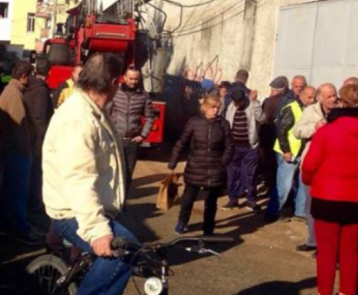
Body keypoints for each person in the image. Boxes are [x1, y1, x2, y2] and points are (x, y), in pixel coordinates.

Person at [43, 53, 137, 295]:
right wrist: (98, 231)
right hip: (71, 212)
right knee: (125, 252)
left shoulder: (93, 111)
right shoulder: (79, 118)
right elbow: (79, 178)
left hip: (86, 208)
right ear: (114, 82)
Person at [302, 83, 358, 295]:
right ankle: (347, 292)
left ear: (342, 102)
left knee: (326, 251)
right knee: (350, 250)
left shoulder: (327, 132)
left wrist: (310, 182)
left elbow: (309, 166)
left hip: (327, 197)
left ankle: (324, 292)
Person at [168, 94, 232, 235]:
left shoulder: (223, 124)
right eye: (213, 107)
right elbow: (182, 142)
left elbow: (229, 146)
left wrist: (223, 162)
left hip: (214, 169)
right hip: (195, 167)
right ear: (205, 107)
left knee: (211, 202)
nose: (216, 110)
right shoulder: (194, 122)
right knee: (188, 199)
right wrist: (173, 161)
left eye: (218, 107)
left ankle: (208, 229)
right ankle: (182, 221)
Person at [0, 60, 40, 245]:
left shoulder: (12, 91)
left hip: (14, 151)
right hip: (17, 152)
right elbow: (19, 127)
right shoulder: (14, 95)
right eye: (31, 75)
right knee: (17, 193)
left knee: (10, 191)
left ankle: (7, 226)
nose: (33, 78)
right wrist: (27, 151)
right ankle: (18, 228)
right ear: (23, 76)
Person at [293, 83, 338, 253]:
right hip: (312, 164)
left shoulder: (341, 112)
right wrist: (315, 127)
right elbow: (297, 131)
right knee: (311, 206)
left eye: (334, 95)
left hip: (332, 166)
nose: (333, 99)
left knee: (328, 209)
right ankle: (313, 241)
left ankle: (326, 245)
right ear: (320, 98)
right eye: (329, 96)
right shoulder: (310, 111)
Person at [265, 85, 316, 222]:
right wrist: (286, 151)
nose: (312, 100)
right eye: (309, 97)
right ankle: (272, 212)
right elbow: (281, 131)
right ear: (302, 95)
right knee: (284, 184)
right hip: (289, 152)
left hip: (301, 152)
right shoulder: (291, 108)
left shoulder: (310, 110)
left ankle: (300, 212)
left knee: (303, 183)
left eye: (314, 97)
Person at [107, 65, 154, 195]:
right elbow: (106, 114)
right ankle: (111, 200)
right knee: (112, 172)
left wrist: (143, 136)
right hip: (116, 140)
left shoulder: (144, 96)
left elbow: (150, 117)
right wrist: (109, 134)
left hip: (133, 142)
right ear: (124, 77)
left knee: (127, 174)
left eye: (136, 79)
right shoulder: (115, 93)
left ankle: (123, 201)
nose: (133, 81)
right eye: (131, 78)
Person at [223, 88, 263, 210]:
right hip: (233, 147)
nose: (237, 105)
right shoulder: (231, 106)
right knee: (232, 174)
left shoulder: (252, 105)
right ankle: (233, 200)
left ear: (244, 100)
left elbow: (261, 118)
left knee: (251, 174)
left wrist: (255, 102)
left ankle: (251, 200)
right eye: (235, 102)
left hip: (250, 147)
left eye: (239, 103)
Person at [24, 58, 54, 212]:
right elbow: (40, 117)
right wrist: (42, 139)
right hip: (37, 137)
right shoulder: (41, 90)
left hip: (27, 132)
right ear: (49, 72)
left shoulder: (28, 86)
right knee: (36, 170)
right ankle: (34, 202)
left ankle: (30, 200)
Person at [259, 76, 289, 192]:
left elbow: (264, 119)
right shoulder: (289, 101)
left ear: (274, 90)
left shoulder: (269, 102)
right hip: (284, 138)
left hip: (270, 136)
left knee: (269, 163)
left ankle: (270, 186)